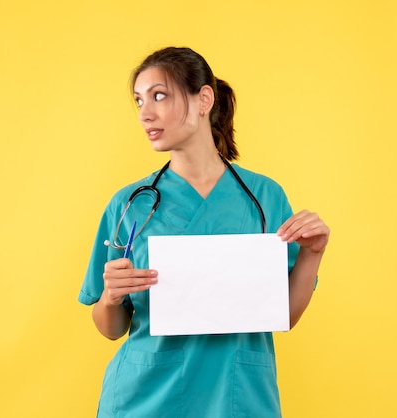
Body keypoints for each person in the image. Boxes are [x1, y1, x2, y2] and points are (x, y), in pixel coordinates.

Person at [78, 46, 330, 418]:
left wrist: (312, 253)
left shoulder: (263, 198)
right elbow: (111, 328)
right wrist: (111, 297)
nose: (145, 114)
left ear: (204, 99)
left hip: (236, 397)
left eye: (159, 96)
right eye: (139, 101)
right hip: (145, 399)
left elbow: (284, 315)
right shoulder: (131, 204)